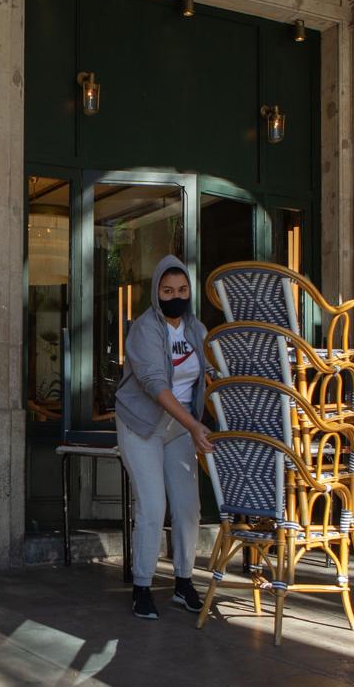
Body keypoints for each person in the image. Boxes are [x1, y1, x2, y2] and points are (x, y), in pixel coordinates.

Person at [114, 254, 214, 620]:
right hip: (141, 424)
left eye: (182, 289)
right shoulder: (144, 330)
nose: (176, 296)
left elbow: (212, 375)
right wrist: (194, 425)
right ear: (156, 292)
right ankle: (142, 586)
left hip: (179, 426)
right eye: (168, 290)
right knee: (153, 506)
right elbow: (155, 384)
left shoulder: (197, 330)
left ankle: (184, 583)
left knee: (188, 507)